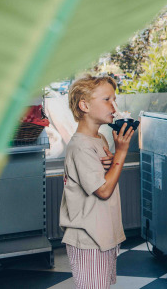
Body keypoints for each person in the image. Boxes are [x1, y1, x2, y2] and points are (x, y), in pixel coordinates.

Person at [60, 75, 135, 289]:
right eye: (106, 99)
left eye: (115, 99)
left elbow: (103, 177)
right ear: (84, 105)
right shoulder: (80, 146)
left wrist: (113, 162)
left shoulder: (98, 139)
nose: (114, 106)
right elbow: (103, 191)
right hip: (89, 239)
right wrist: (121, 153)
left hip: (101, 235)